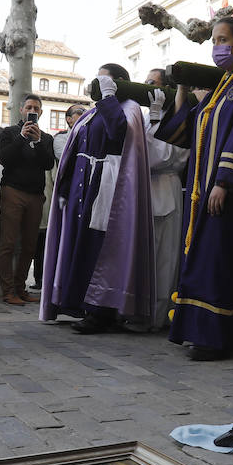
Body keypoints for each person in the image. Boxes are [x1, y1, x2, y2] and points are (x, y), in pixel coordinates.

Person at [155, 18, 233, 360]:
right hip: (202, 192)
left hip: (228, 193)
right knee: (203, 260)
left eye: (223, 40)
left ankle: (216, 338)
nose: (217, 47)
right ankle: (197, 332)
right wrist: (182, 92)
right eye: (214, 40)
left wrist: (224, 182)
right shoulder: (224, 85)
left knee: (219, 262)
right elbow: (193, 129)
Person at [40, 66, 155, 332]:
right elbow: (75, 149)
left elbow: (118, 132)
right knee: (79, 245)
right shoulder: (91, 112)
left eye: (105, 78)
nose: (98, 82)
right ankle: (76, 303)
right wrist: (66, 188)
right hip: (83, 187)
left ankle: (101, 311)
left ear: (120, 83)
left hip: (107, 186)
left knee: (99, 246)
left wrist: (108, 97)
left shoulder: (129, 108)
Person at [0, 92, 55, 305]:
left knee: (30, 245)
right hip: (13, 191)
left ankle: (21, 288)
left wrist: (37, 142)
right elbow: (4, 158)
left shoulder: (46, 138)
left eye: (36, 109)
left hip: (36, 195)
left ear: (41, 112)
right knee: (9, 242)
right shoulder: (9, 133)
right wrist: (22, 138)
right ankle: (8, 290)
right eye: (28, 108)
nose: (32, 112)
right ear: (21, 110)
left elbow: (48, 164)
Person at [142, 73, 190, 330]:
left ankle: (157, 316)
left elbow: (160, 156)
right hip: (144, 190)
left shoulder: (179, 117)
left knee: (163, 259)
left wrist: (156, 119)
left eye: (153, 84)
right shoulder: (147, 114)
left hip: (165, 188)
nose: (147, 88)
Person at [34, 102, 82, 294]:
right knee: (46, 239)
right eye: (79, 113)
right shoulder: (61, 138)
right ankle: (42, 279)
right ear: (69, 119)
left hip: (76, 195)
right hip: (59, 195)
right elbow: (66, 159)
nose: (84, 115)